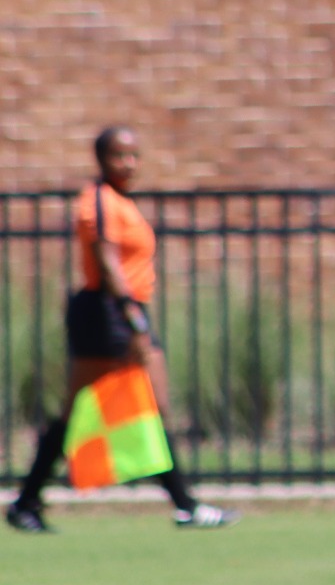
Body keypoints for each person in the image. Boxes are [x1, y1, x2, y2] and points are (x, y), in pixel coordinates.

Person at [6, 127, 238, 533]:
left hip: (124, 310)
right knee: (106, 406)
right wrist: (133, 319)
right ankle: (184, 505)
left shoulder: (121, 202)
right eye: (119, 156)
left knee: (143, 404)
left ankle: (27, 501)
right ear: (101, 159)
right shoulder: (97, 202)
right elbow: (107, 262)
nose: (128, 164)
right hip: (108, 311)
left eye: (134, 155)